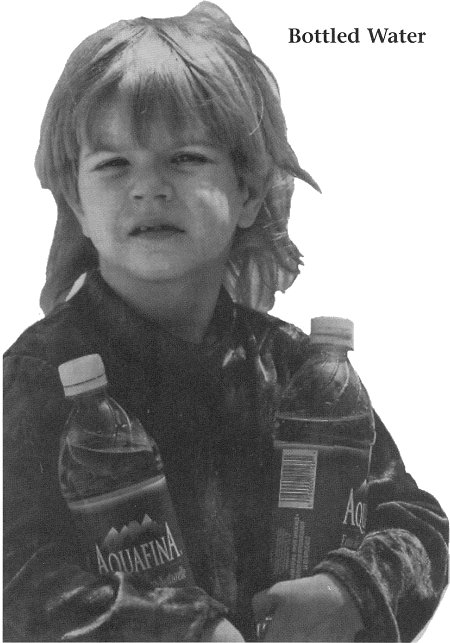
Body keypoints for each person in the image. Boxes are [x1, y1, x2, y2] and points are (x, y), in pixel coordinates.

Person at [3, 2, 448, 641]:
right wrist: (187, 632)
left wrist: (348, 591)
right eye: (113, 164)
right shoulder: (39, 372)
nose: (147, 188)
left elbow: (416, 522)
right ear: (75, 199)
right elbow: (21, 576)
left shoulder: (295, 367)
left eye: (184, 158)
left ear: (248, 192)